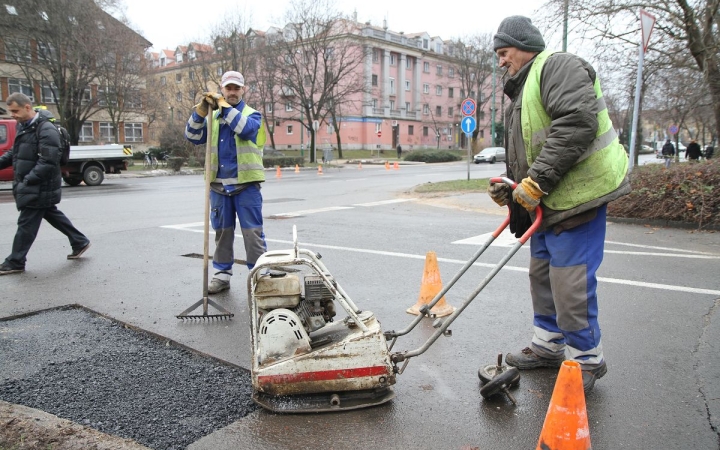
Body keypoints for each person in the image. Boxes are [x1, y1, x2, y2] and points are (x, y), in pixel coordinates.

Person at [487, 16, 630, 393]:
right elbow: (535, 147)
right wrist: (514, 190)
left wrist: (536, 182)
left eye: (504, 52)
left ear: (524, 45)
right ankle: (548, 345)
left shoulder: (558, 66)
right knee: (542, 276)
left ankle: (586, 358)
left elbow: (577, 123)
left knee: (570, 283)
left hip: (579, 197)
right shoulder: (523, 89)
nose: (501, 61)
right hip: (549, 203)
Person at [184, 71, 267, 294]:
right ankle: (222, 275)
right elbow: (191, 136)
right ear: (222, 89)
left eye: (236, 88)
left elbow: (246, 129)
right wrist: (200, 113)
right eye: (228, 88)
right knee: (222, 233)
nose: (232, 92)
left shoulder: (252, 115)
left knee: (252, 233)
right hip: (218, 186)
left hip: (246, 185)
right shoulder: (213, 118)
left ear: (243, 90)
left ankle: (260, 276)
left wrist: (224, 108)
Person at [0, 93, 90, 275]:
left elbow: (49, 161)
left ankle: (15, 261)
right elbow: (14, 153)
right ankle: (79, 241)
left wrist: (28, 180)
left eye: (15, 111)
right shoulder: (23, 127)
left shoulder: (45, 129)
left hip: (39, 184)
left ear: (27, 107)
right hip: (33, 184)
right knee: (50, 212)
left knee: (26, 223)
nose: (13, 115)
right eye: (11, 111)